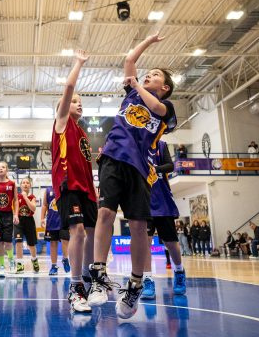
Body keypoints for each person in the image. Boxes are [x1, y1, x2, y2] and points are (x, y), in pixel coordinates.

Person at [88, 33, 177, 320]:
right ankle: (99, 275)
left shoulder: (166, 108)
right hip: (113, 157)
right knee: (105, 213)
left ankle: (135, 284)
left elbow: (157, 109)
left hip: (141, 167)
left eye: (155, 75)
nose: (147, 75)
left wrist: (138, 83)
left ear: (164, 87)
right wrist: (148, 40)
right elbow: (129, 59)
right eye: (146, 73)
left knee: (138, 226)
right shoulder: (132, 94)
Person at [51, 49, 97, 314]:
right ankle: (75, 286)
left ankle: (89, 280)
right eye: (74, 101)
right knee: (77, 231)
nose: (78, 104)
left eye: (80, 102)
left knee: (91, 234)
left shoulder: (82, 133)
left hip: (87, 190)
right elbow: (69, 87)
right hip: (68, 185)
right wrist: (79, 63)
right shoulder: (62, 123)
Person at [141, 140, 187, 300]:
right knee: (145, 243)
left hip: (162, 202)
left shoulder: (160, 145)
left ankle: (179, 271)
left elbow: (170, 165)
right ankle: (147, 279)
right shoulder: (136, 144)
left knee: (171, 243)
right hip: (144, 201)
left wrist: (155, 169)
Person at [40, 185, 70, 276]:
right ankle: (53, 266)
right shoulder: (48, 189)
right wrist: (42, 218)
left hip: (64, 219)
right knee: (53, 243)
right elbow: (44, 205)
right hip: (52, 221)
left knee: (65, 240)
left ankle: (65, 258)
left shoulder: (66, 187)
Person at [14, 177, 40, 273]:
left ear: (30, 185)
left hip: (29, 221)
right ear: (20, 185)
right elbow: (15, 208)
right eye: (23, 183)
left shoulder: (32, 197)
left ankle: (34, 260)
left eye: (27, 183)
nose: (25, 184)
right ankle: (20, 264)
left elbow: (33, 208)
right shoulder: (17, 196)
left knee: (31, 244)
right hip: (19, 221)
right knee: (18, 242)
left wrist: (25, 197)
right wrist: (15, 216)